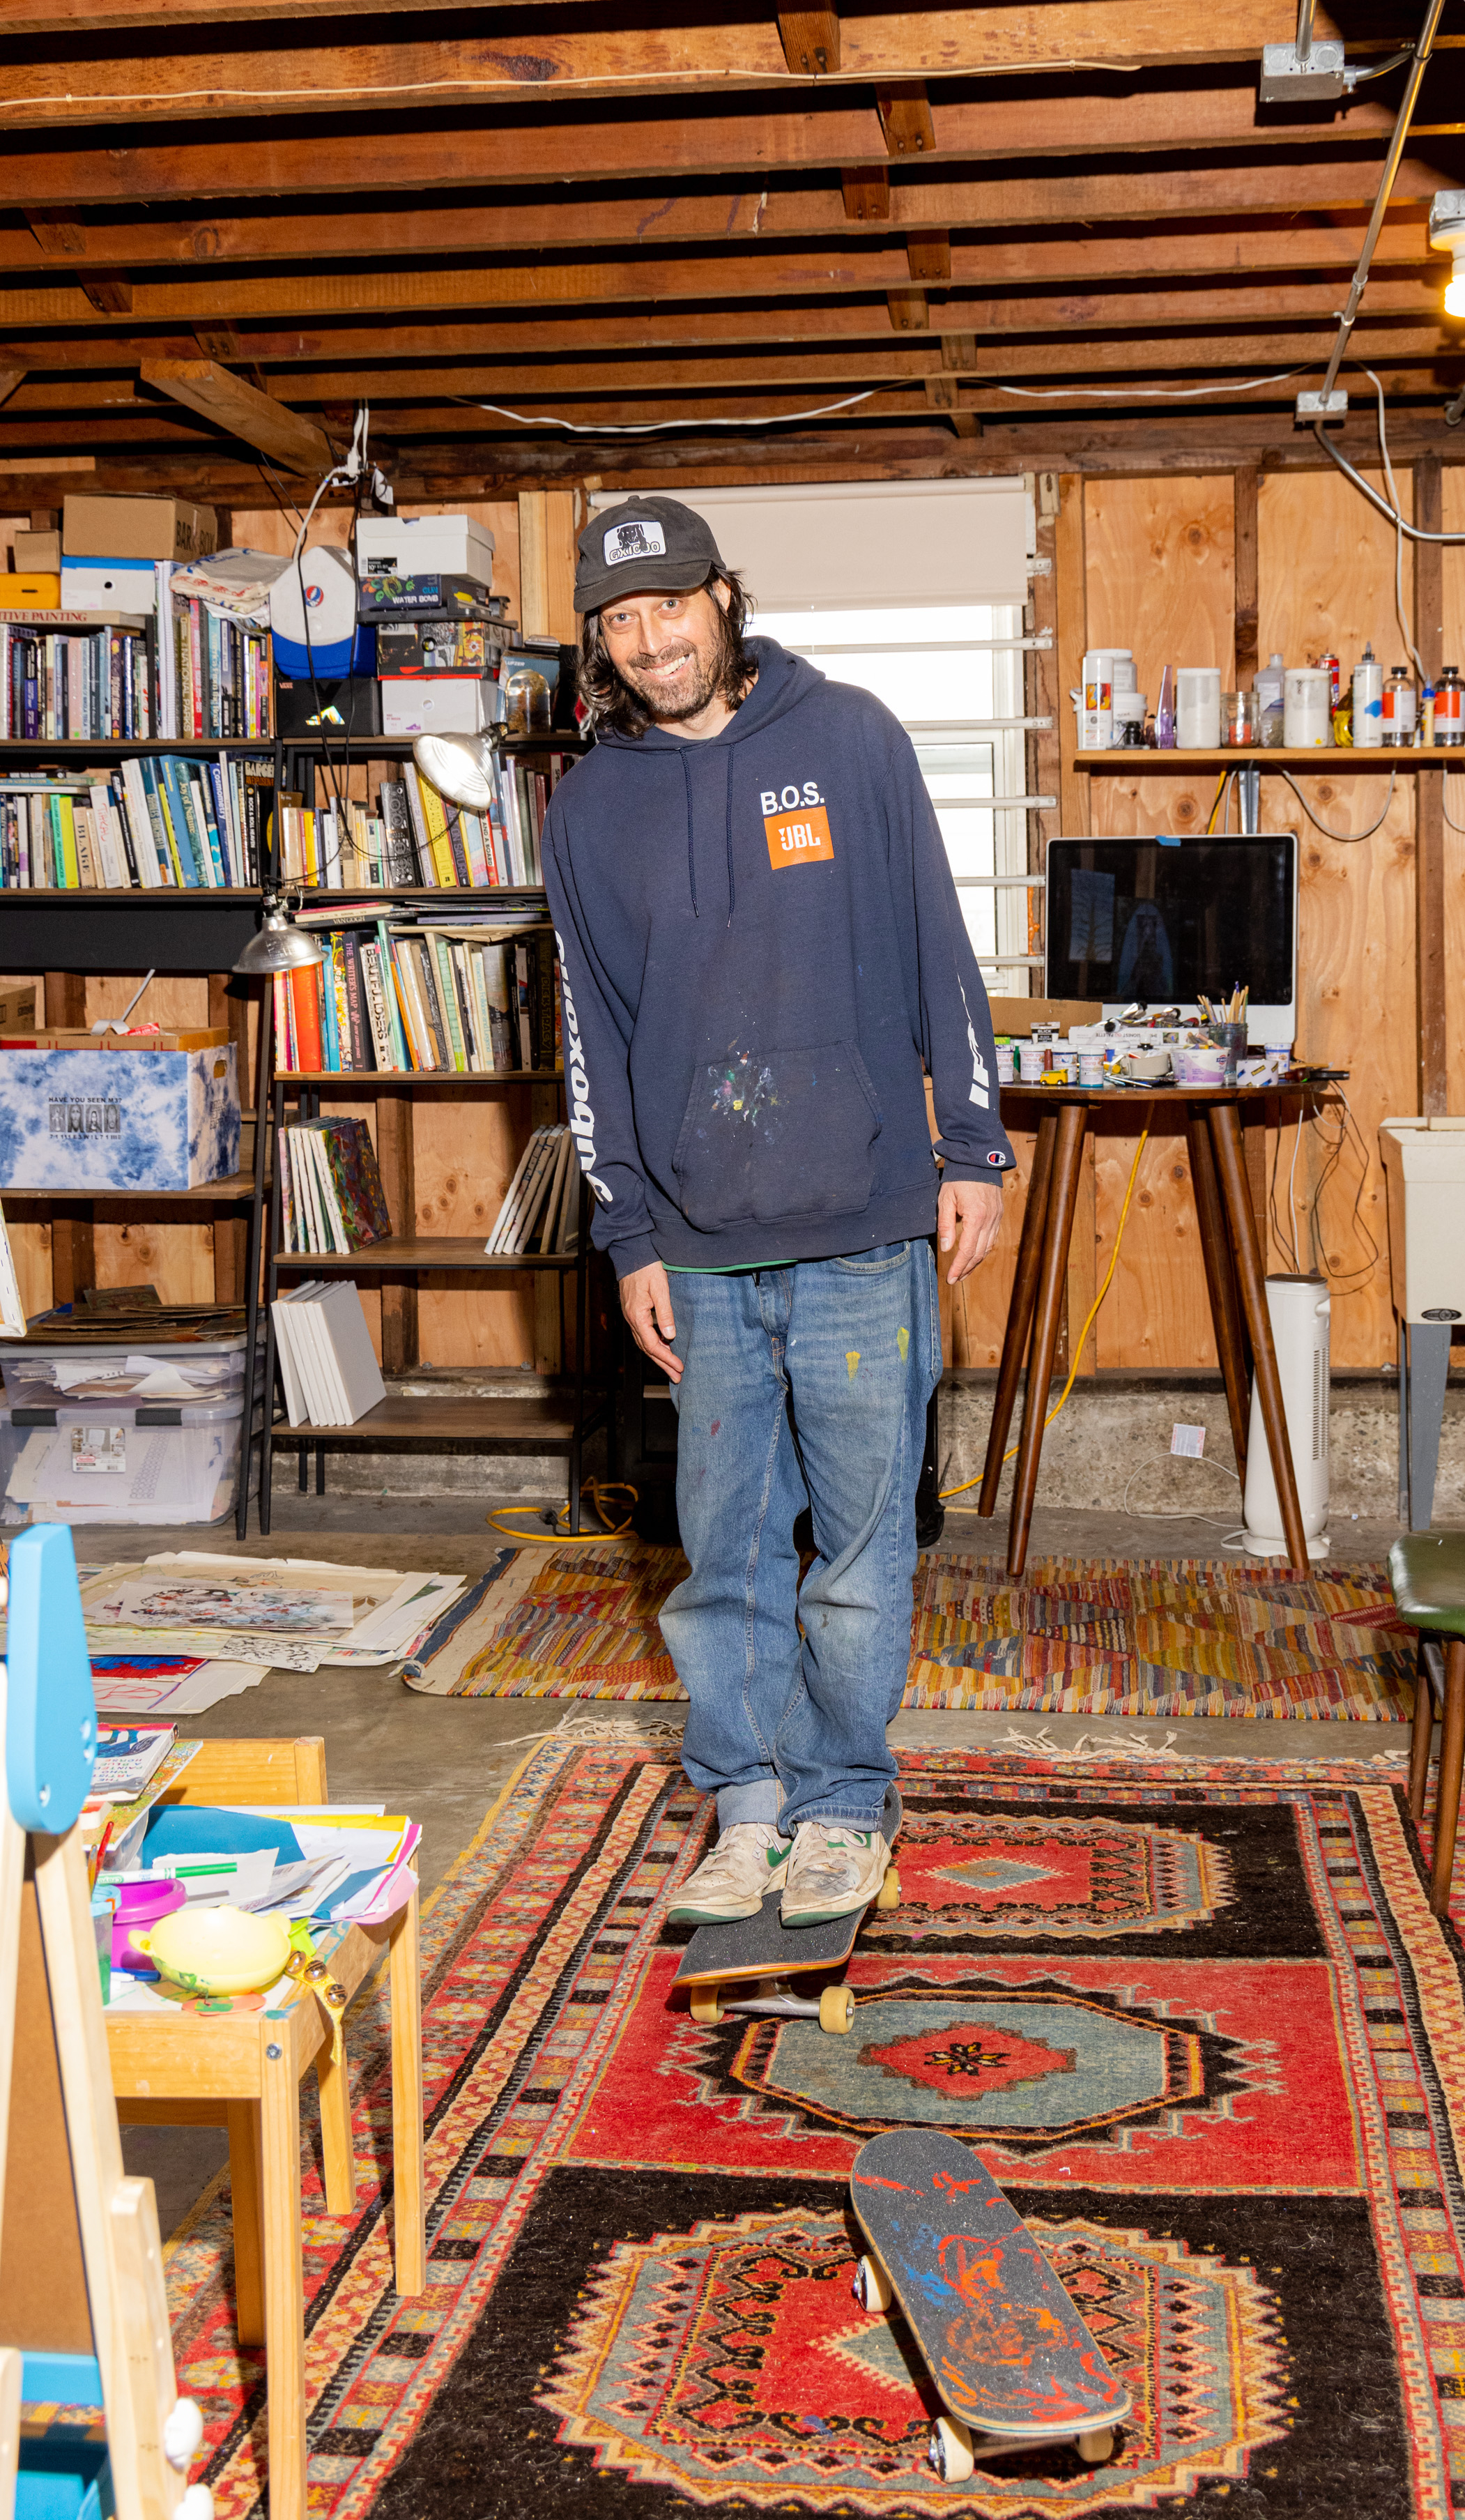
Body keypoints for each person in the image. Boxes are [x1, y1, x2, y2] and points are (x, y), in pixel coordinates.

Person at [542, 494, 1011, 1928]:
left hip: (868, 1223)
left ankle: (843, 1808)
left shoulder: (852, 739)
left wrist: (973, 1143)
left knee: (864, 1553)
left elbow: (942, 940)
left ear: (727, 599)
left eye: (670, 606)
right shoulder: (589, 807)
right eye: (620, 622)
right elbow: (591, 1043)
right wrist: (628, 1237)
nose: (651, 639)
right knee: (726, 1548)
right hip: (701, 1244)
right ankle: (747, 1808)